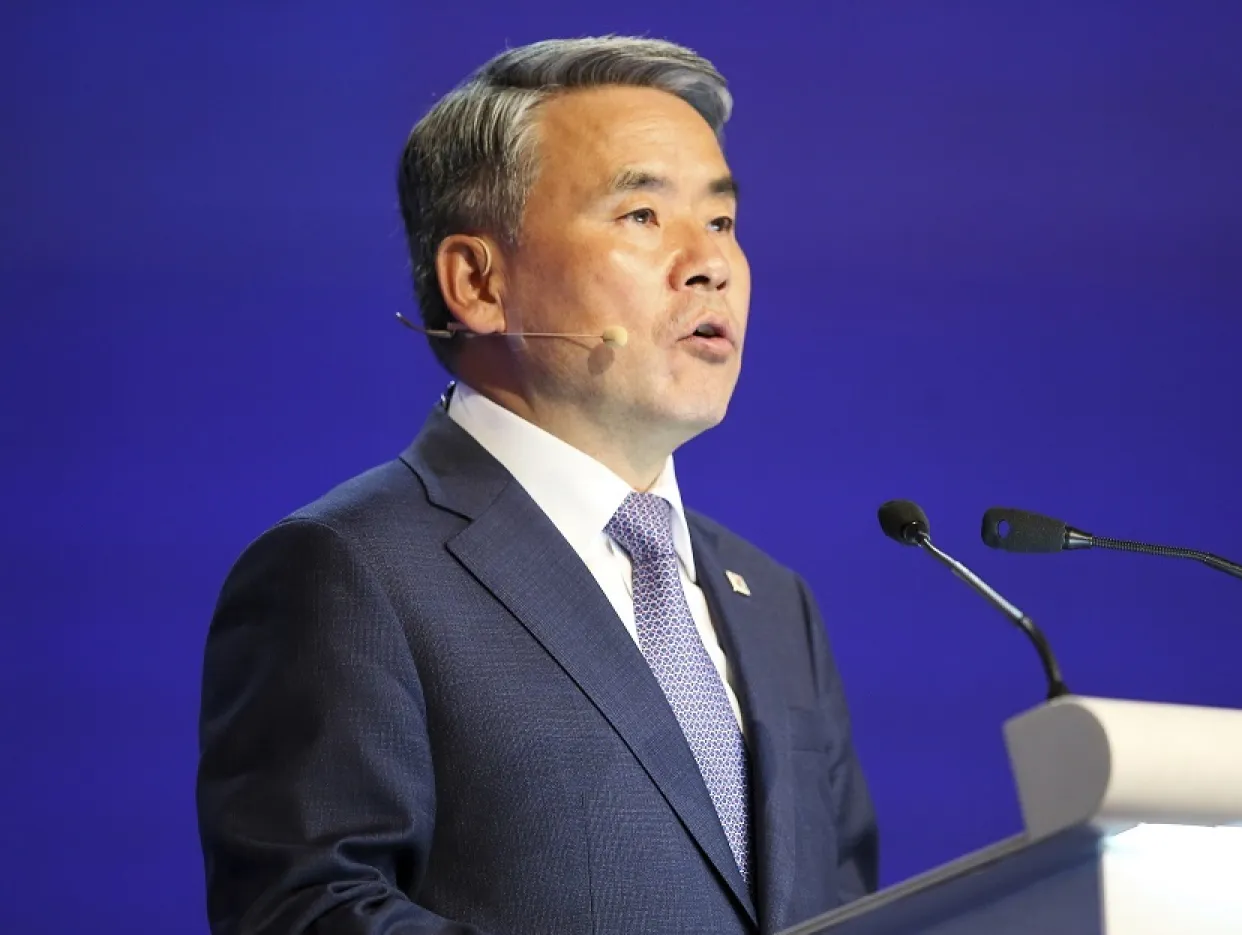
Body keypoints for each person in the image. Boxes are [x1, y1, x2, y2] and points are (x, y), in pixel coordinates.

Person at [195, 35, 879, 934]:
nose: (709, 262)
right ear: (477, 282)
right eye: (642, 215)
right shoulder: (345, 573)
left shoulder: (775, 604)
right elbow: (311, 909)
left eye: (719, 222)